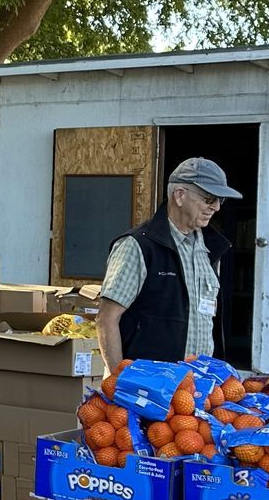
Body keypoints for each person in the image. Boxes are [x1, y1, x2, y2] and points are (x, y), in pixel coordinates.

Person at [97, 157, 242, 367]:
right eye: (209, 198)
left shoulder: (210, 250)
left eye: (221, 200)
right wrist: (119, 381)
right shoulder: (138, 246)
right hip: (148, 387)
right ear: (180, 196)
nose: (217, 207)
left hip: (197, 384)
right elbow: (106, 319)